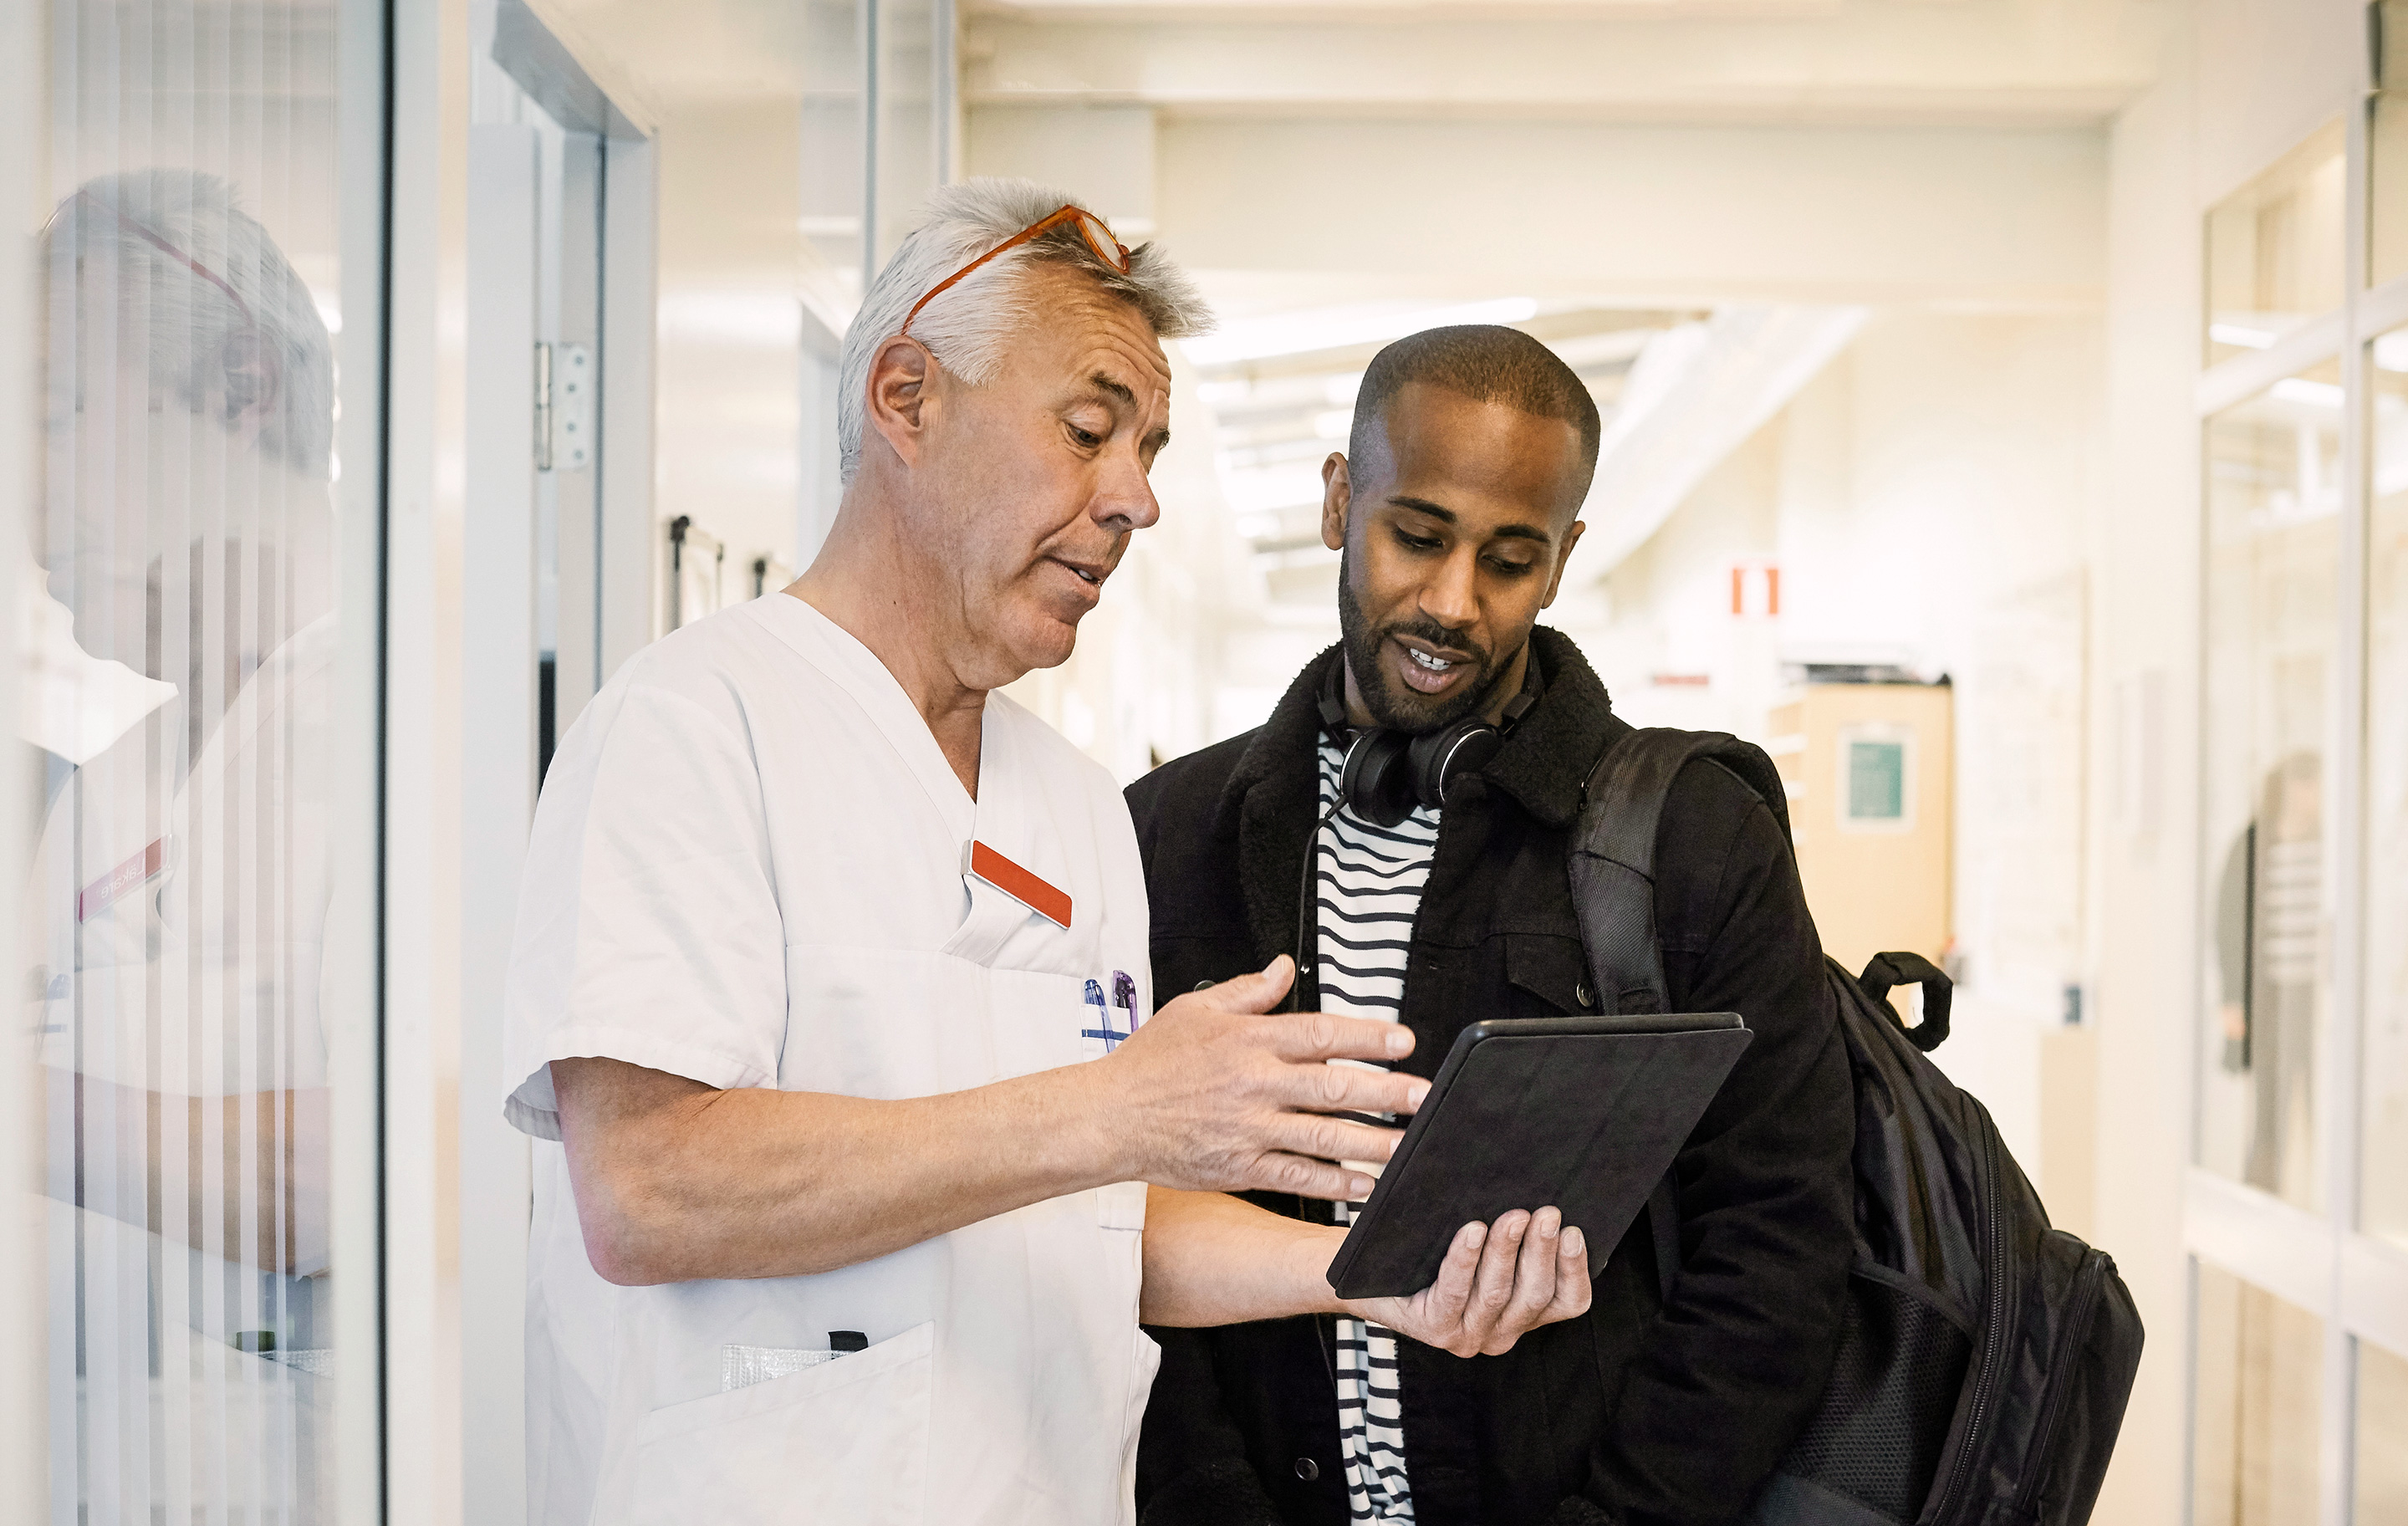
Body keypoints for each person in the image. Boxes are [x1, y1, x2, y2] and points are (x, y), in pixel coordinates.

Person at [501, 182, 1594, 1526]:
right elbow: (649, 1188)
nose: (1134, 497)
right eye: (1089, 430)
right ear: (906, 398)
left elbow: (1090, 1221)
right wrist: (1117, 1110)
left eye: (1149, 448)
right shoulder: (690, 728)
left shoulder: (1077, 807)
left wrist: (1371, 1275)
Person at [1128, 326, 1856, 1526]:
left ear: (1563, 561)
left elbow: (1777, 1250)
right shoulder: (1169, 836)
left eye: (1511, 559)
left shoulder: (1692, 839)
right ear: (1336, 500)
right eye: (1415, 535)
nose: (1453, 601)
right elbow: (1110, 1227)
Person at [31, 171, 344, 1519]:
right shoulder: (104, 791)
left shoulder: (398, 741)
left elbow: (359, 1178)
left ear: (239, 393)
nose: (28, 481)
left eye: (57, 413)